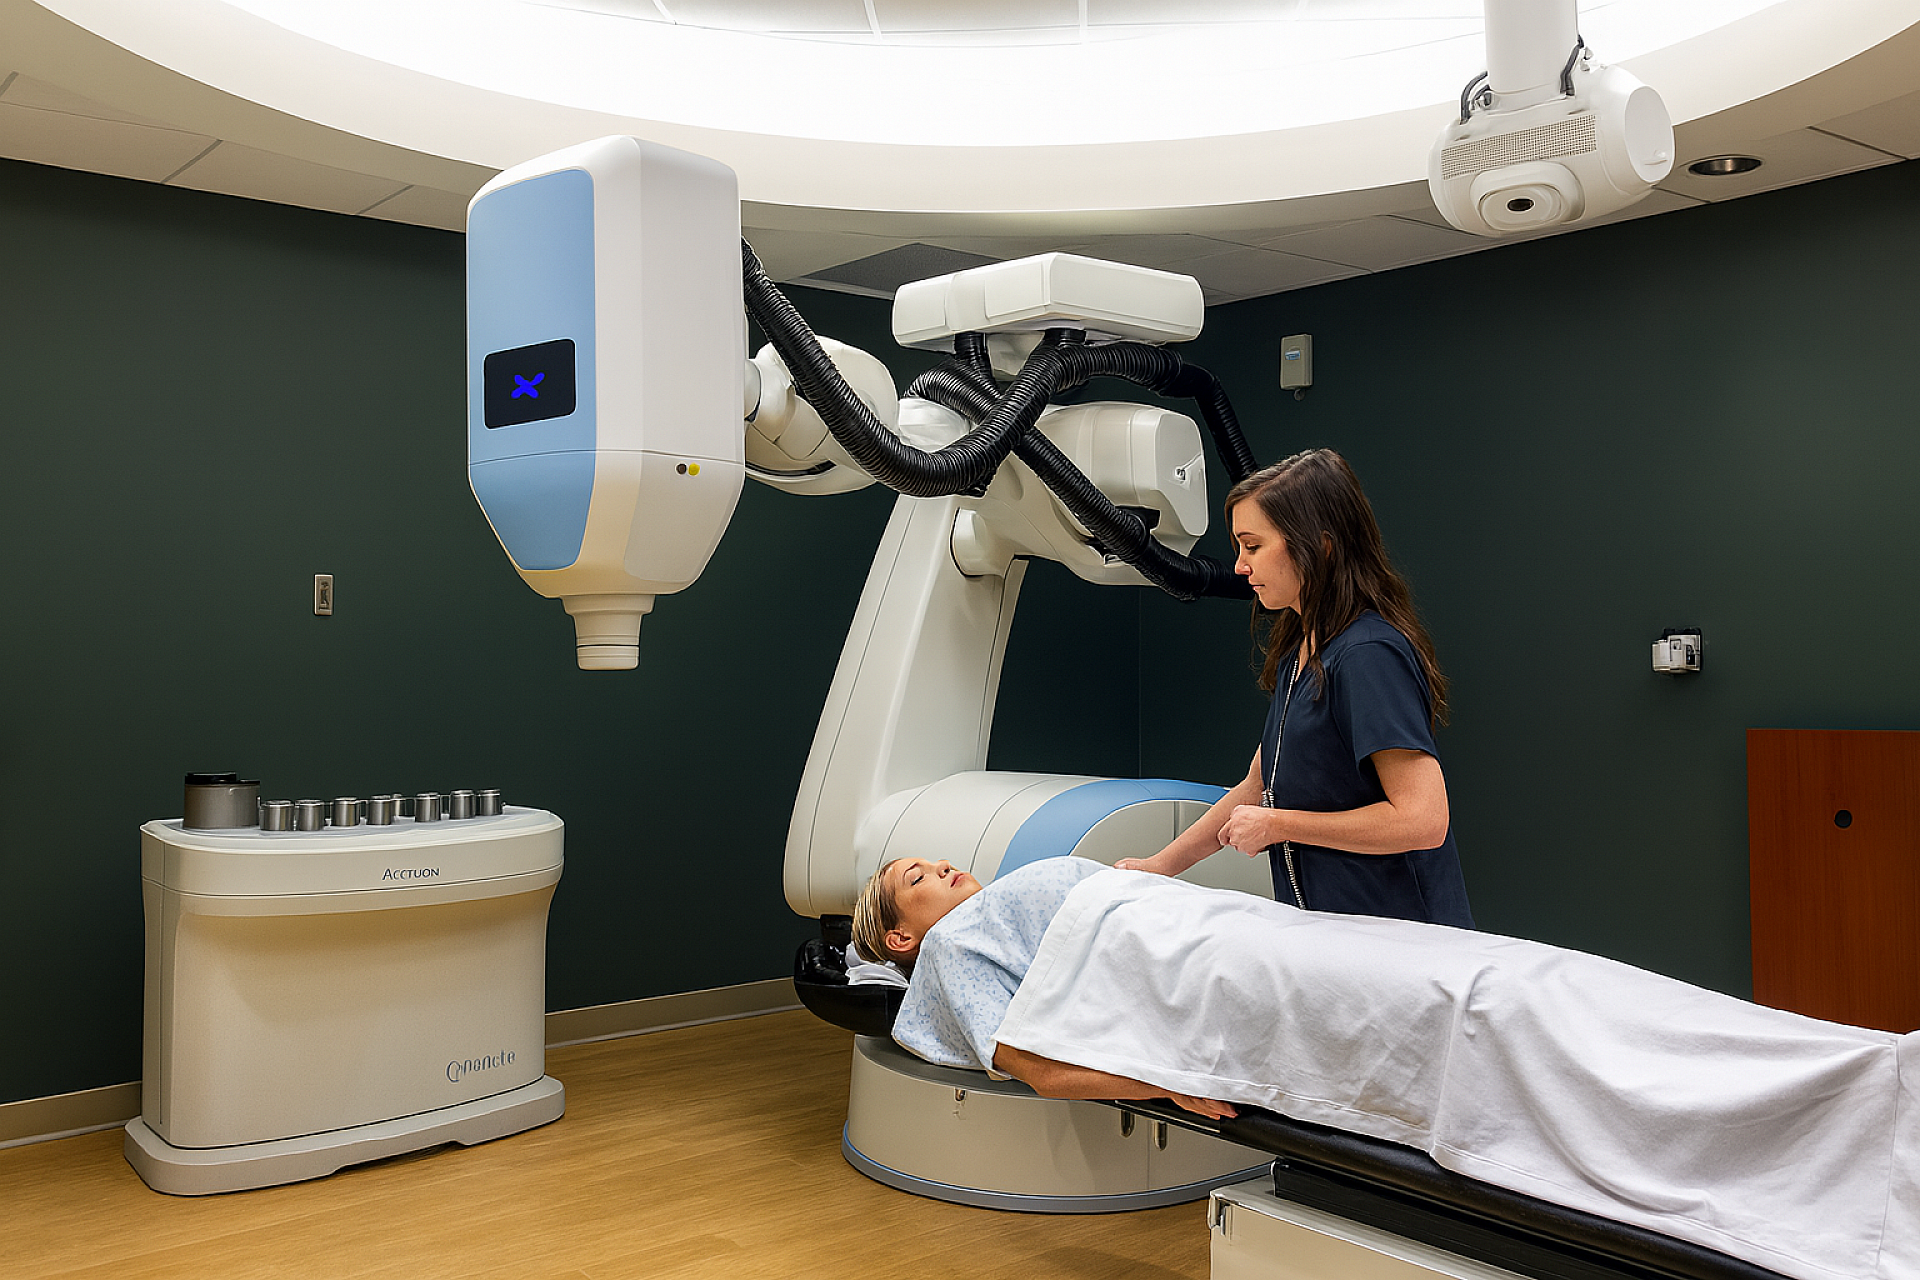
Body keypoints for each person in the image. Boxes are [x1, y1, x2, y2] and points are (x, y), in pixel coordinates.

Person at [850, 854, 1920, 1280]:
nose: (939, 866)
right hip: (1209, 977)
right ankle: (1844, 1112)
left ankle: (1863, 1083)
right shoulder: (956, 948)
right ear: (901, 938)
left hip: (1220, 927)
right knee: (1487, 1004)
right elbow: (1029, 1060)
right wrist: (1158, 1079)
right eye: (913, 879)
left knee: (1522, 979)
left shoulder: (1010, 890)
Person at [1116, 448, 1471, 928]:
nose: (1240, 566)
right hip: (1329, 936)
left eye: (1253, 546)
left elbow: (1422, 820)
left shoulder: (1367, 655)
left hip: (1402, 945)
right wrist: (1158, 869)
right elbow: (1256, 787)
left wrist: (1279, 824)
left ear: (1320, 545)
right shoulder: (1301, 652)